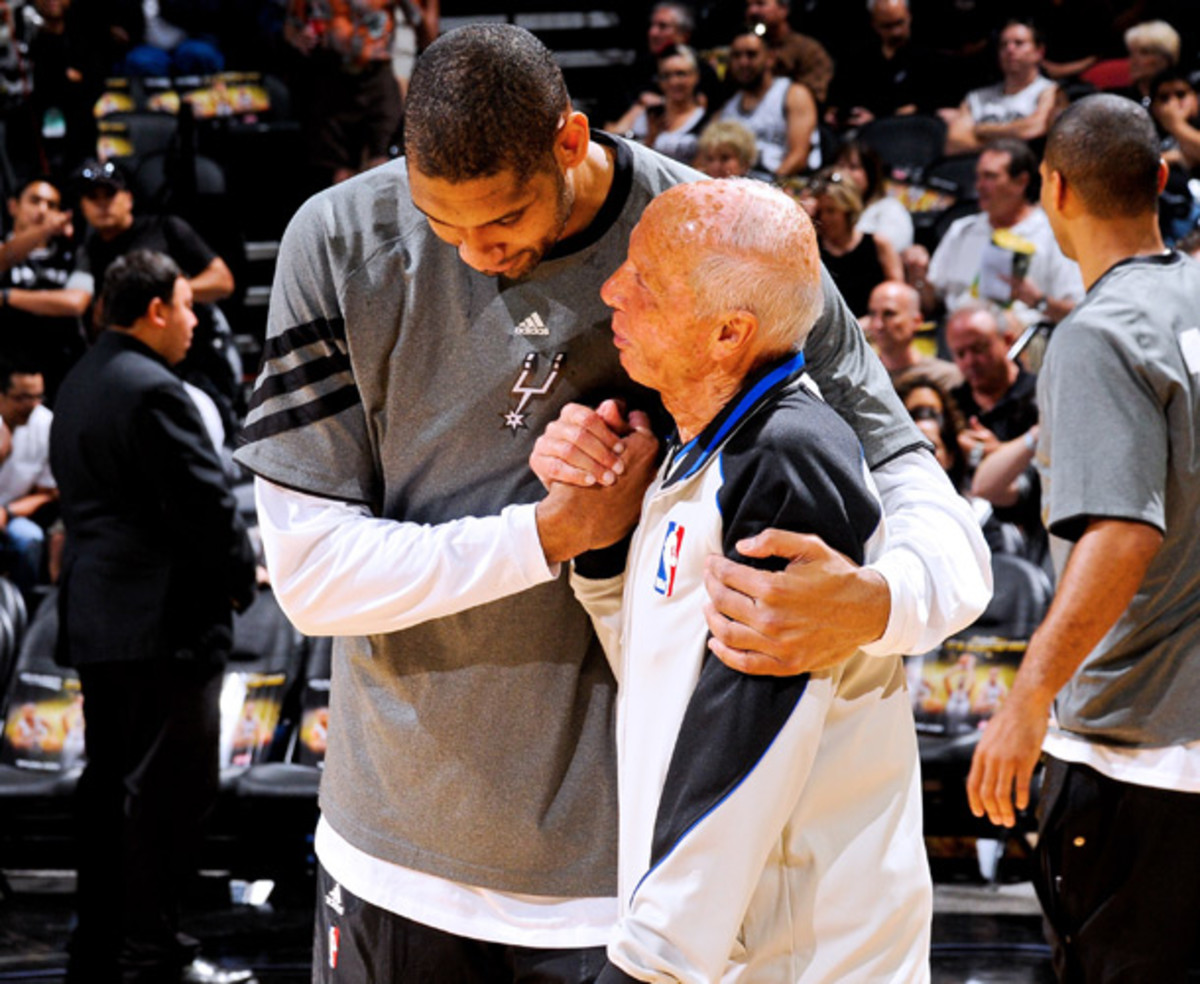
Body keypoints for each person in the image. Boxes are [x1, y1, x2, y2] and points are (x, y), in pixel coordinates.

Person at [234, 24, 988, 981]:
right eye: (442, 223)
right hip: (391, 839)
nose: (475, 255)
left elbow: (903, 464)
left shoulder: (709, 239)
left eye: (501, 220)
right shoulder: (339, 240)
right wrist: (553, 536)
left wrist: (884, 603)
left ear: (569, 140)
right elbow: (310, 580)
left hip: (616, 874)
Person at [557, 177, 931, 983]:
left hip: (800, 950)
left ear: (729, 333)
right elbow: (666, 673)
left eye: (645, 285)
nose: (611, 290)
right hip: (727, 938)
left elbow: (752, 730)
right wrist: (597, 550)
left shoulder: (789, 456)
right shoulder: (701, 440)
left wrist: (650, 957)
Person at [967, 93, 1200, 982]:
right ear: (1162, 180)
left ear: (1053, 189)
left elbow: (1120, 535)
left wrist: (1026, 701)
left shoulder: (1099, 334)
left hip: (1134, 755)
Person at [50, 249, 257, 984]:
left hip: (99, 618)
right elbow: (209, 506)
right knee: (166, 794)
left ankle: (100, 941)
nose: (198, 320)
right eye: (187, 305)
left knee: (108, 787)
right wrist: (240, 582)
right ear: (156, 310)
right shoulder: (154, 389)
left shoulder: (77, 383)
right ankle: (152, 950)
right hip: (164, 621)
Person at [72, 158, 241, 429]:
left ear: (128, 198)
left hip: (194, 354)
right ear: (82, 205)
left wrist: (171, 295)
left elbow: (223, 281)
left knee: (215, 430)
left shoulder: (166, 228)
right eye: (93, 196)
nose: (102, 204)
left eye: (110, 194)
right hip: (138, 363)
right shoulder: (89, 250)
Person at [910, 138, 1084, 325]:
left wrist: (1038, 301)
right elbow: (931, 305)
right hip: (955, 337)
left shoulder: (1052, 235)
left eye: (990, 177)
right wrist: (918, 274)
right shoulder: (961, 230)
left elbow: (1078, 313)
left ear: (1021, 182)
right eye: (979, 177)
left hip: (1024, 342)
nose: (979, 186)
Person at [283, 0, 406, 186]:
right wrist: (300, 37)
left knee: (385, 164)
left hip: (377, 72)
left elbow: (420, 18)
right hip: (331, 73)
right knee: (338, 173)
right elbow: (291, 26)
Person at [0, 176, 90, 404]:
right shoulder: (5, 248)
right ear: (13, 206)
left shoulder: (73, 254)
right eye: (35, 201)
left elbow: (74, 303)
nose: (43, 210)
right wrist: (42, 231)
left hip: (62, 369)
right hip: (8, 375)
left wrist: (8, 296)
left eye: (52, 205)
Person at [941, 20, 1059, 155]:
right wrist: (1014, 135)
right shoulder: (977, 97)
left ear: (1039, 52)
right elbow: (954, 144)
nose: (1010, 49)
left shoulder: (1050, 91)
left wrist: (981, 130)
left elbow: (1035, 127)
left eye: (1019, 43)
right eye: (1003, 45)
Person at [718, 31, 820, 177]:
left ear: (770, 58)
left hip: (784, 183)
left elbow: (799, 157)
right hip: (740, 185)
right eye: (736, 55)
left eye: (751, 54)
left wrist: (769, 188)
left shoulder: (793, 94)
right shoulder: (729, 107)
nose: (743, 62)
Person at [0, 362, 57, 602]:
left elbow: (49, 491)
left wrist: (7, 511)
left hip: (13, 514)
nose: (31, 406)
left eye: (37, 397)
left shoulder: (45, 423)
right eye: (22, 398)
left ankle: (23, 611)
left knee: (30, 538)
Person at [811, 172, 902, 317]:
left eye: (831, 211)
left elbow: (898, 295)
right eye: (819, 212)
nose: (824, 218)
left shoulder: (878, 244)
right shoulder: (812, 248)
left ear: (848, 211)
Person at [608, 44, 709, 165]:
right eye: (666, 76)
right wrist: (651, 138)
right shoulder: (650, 114)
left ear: (695, 76)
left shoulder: (707, 117)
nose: (673, 82)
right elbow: (614, 141)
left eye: (681, 74)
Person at [864, 280, 960, 391]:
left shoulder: (946, 378)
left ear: (917, 321)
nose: (878, 325)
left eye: (889, 314)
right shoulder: (859, 378)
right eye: (872, 314)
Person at [743, 0, 834, 103]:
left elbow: (814, 95)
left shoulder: (807, 49)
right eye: (748, 5)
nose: (752, 11)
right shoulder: (743, 49)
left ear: (783, 10)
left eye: (760, 4)